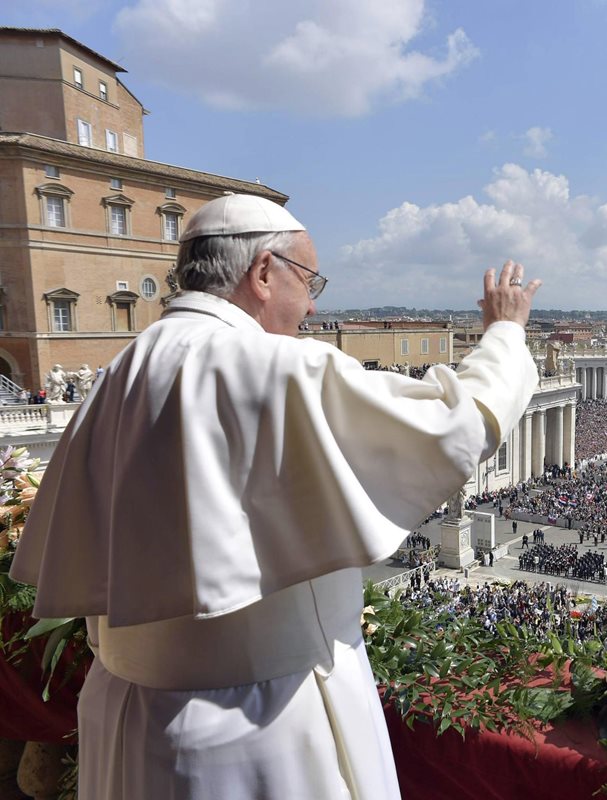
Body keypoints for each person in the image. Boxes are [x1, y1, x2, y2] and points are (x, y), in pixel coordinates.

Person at [11, 194, 542, 800]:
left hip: (132, 718)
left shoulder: (120, 371)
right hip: (261, 728)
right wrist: (505, 333)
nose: (314, 304)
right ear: (263, 273)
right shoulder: (275, 367)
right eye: (309, 280)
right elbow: (456, 426)